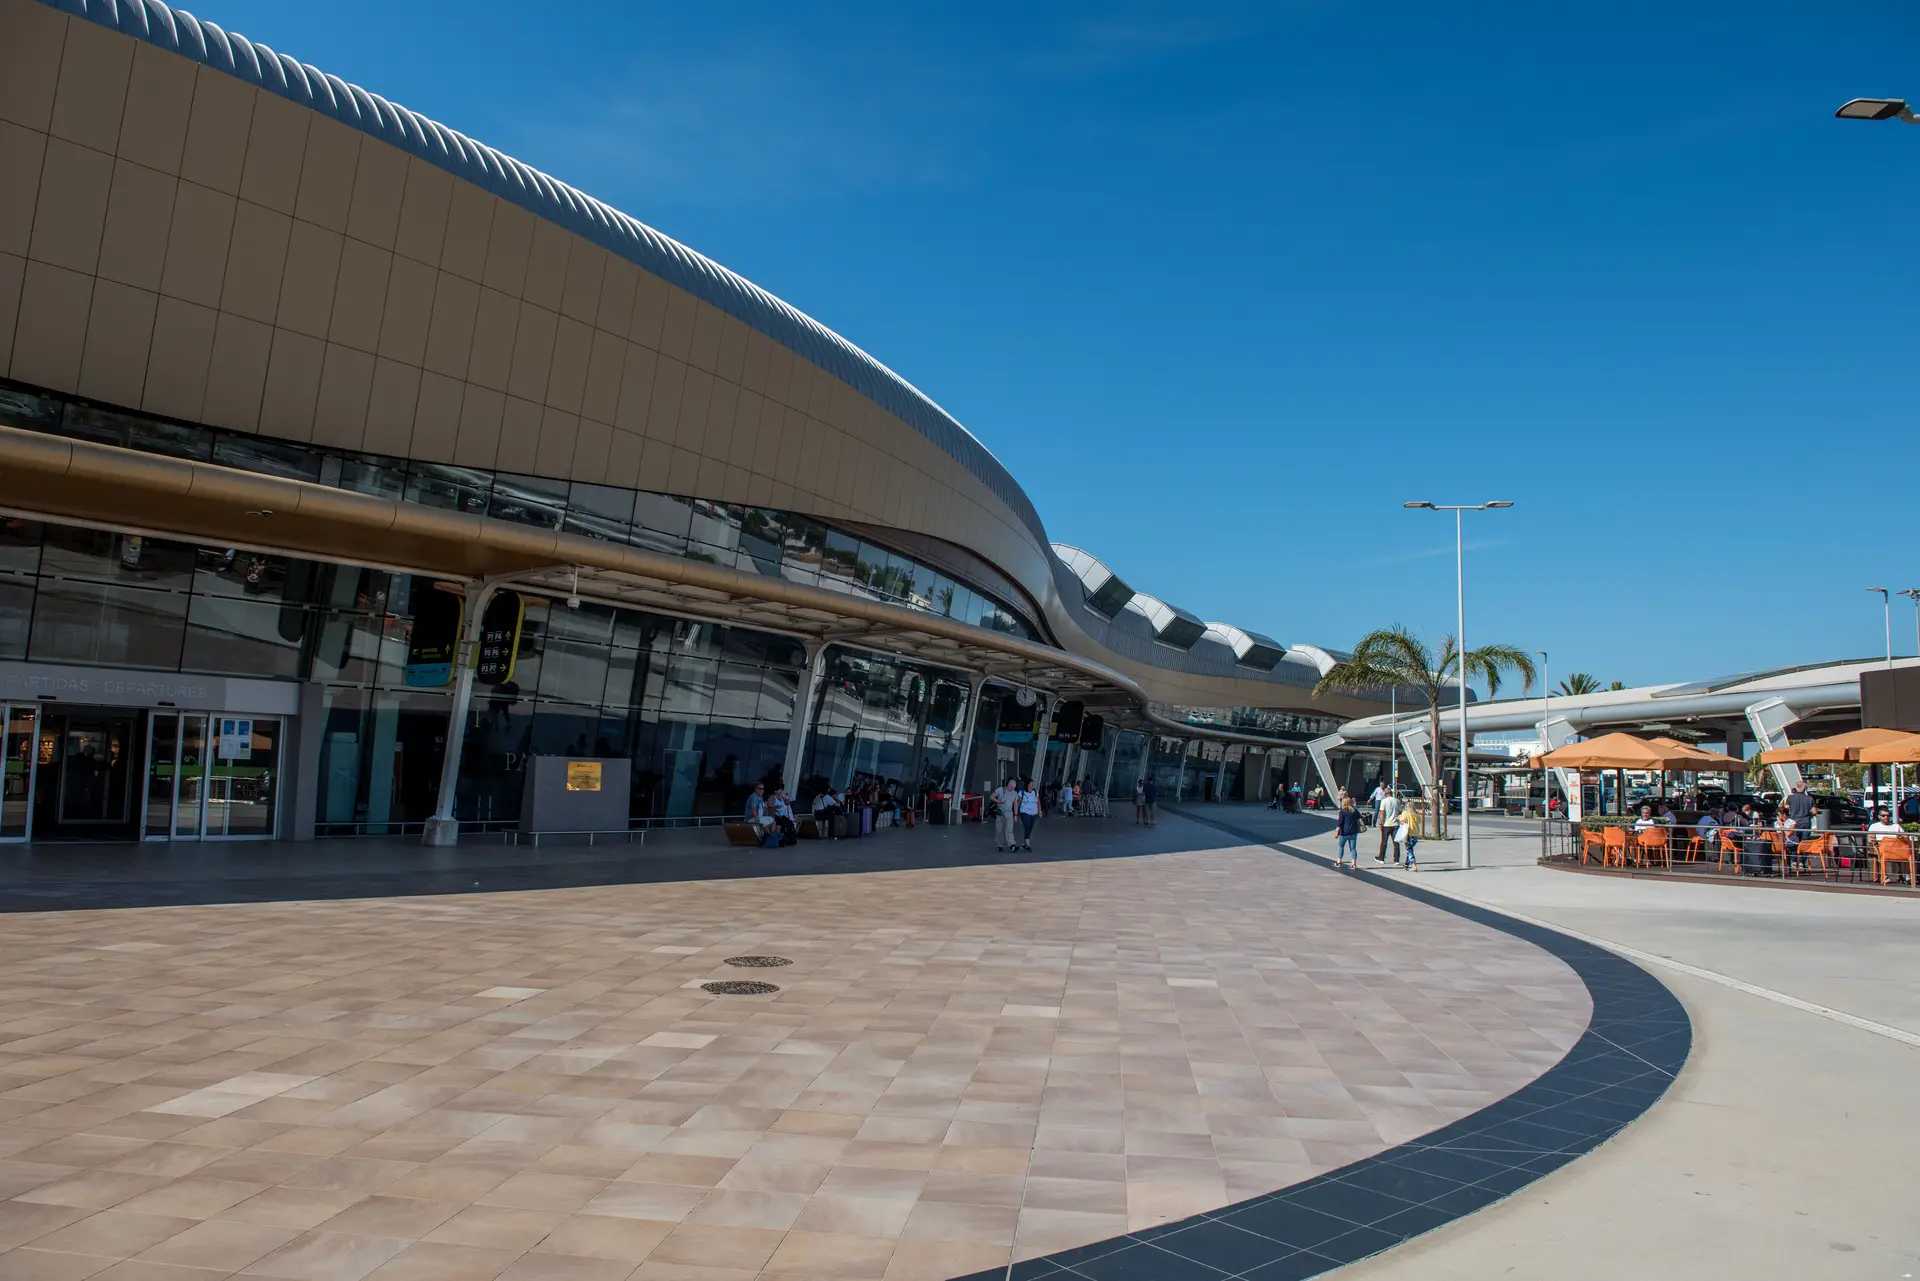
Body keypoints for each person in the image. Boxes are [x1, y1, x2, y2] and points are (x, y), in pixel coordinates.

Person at [991, 775, 1020, 852]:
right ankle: (999, 845)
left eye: (1014, 787)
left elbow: (1015, 805)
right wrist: (998, 801)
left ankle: (1012, 844)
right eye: (1011, 787)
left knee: (1009, 829)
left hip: (1009, 813)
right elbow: (992, 797)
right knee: (999, 830)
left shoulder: (1014, 793)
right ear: (1008, 785)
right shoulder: (1000, 790)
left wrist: (1015, 815)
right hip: (1000, 813)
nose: (1012, 789)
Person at [1375, 788, 1402, 864]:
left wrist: (1380, 823)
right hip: (1395, 824)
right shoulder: (1397, 801)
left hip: (1386, 824)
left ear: (1385, 794)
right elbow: (1400, 811)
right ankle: (1396, 860)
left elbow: (1382, 813)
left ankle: (1381, 858)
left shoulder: (1384, 801)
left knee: (1384, 842)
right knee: (1396, 842)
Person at [1334, 796, 1362, 869]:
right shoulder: (1355, 811)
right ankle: (1353, 864)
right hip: (1353, 832)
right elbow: (1360, 818)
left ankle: (1338, 862)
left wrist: (1337, 831)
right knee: (1353, 848)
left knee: (1340, 846)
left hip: (1344, 832)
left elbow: (1340, 823)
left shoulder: (1342, 812)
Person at [1017, 776, 1041, 851]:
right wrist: (1015, 812)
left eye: (1033, 784)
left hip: (1034, 813)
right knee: (1027, 825)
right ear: (1027, 784)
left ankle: (1025, 842)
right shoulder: (1022, 792)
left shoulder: (1035, 792)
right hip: (1024, 812)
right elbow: (1018, 802)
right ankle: (1028, 844)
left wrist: (1040, 811)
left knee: (1030, 827)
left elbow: (1038, 802)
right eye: (1031, 784)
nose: (1032, 785)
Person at [1399, 801, 1423, 870]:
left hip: (1408, 833)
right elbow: (1418, 822)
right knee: (1410, 848)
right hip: (1416, 834)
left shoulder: (1405, 813)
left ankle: (1414, 865)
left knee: (1409, 850)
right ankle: (1406, 864)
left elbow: (1402, 821)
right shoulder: (1416, 814)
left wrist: (1399, 818)